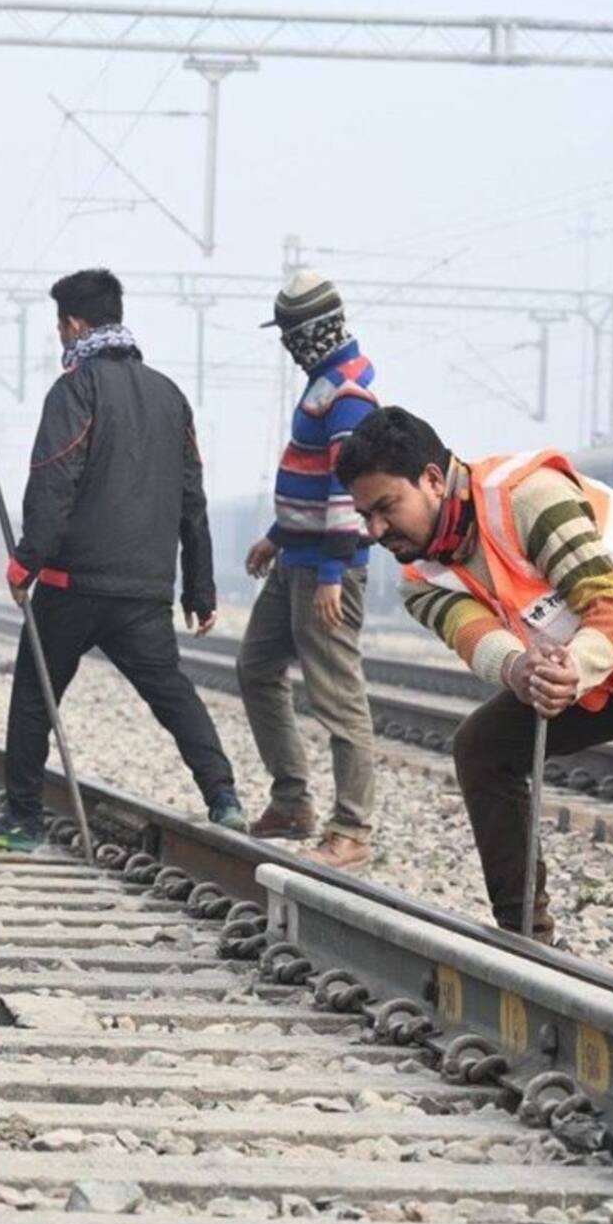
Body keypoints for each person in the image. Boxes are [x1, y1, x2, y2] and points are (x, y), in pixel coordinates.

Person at [335, 406, 613, 1006]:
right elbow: (483, 642)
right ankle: (526, 939)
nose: (374, 530)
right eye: (364, 515)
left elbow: (609, 606)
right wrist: (524, 671)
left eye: (385, 507)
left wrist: (571, 670)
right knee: (482, 748)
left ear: (430, 478)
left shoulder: (527, 497)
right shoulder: (419, 577)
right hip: (597, 660)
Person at [0, 268, 246, 851]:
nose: (59, 340)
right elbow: (190, 498)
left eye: (59, 329)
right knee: (172, 692)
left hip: (72, 586)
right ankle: (223, 797)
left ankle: (22, 820)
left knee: (34, 696)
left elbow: (54, 479)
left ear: (74, 324)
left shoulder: (75, 389)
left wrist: (26, 561)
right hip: (144, 590)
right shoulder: (170, 396)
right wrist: (199, 589)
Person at [238, 271, 383, 871]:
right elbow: (311, 477)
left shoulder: (347, 393)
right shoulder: (326, 383)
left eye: (290, 335)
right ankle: (293, 800)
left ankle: (351, 829)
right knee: (256, 668)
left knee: (337, 696)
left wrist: (331, 572)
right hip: (295, 560)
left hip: (325, 570)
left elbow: (345, 488)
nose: (286, 347)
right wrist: (277, 536)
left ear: (310, 332)